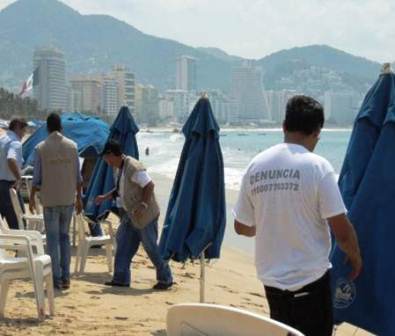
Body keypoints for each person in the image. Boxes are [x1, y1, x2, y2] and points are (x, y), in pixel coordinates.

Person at [233, 95, 362, 336]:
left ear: (284, 126)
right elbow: (341, 230)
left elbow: (241, 226)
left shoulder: (256, 165)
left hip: (271, 282)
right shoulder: (317, 166)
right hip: (310, 281)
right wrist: (355, 258)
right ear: (317, 132)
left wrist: (269, 218)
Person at [95, 139, 173, 290]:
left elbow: (149, 185)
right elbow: (120, 189)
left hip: (146, 216)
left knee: (151, 247)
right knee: (123, 244)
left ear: (112, 154)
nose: (106, 161)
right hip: (129, 215)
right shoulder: (118, 168)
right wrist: (105, 197)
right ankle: (121, 278)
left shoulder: (133, 167)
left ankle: (166, 278)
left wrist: (143, 204)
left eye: (106, 158)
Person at [29, 113, 83, 290]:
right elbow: (78, 177)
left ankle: (56, 279)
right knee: (64, 237)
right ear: (61, 127)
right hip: (68, 198)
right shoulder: (73, 146)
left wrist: (31, 197)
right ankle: (66, 277)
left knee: (52, 239)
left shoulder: (40, 148)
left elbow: (36, 179)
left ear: (47, 127)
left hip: (50, 200)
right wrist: (79, 199)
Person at [0, 118, 28, 229]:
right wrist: (18, 178)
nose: (24, 134)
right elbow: (11, 159)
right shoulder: (15, 142)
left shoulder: (2, 140)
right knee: (19, 222)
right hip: (9, 186)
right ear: (17, 127)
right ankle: (19, 246)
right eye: (24, 130)